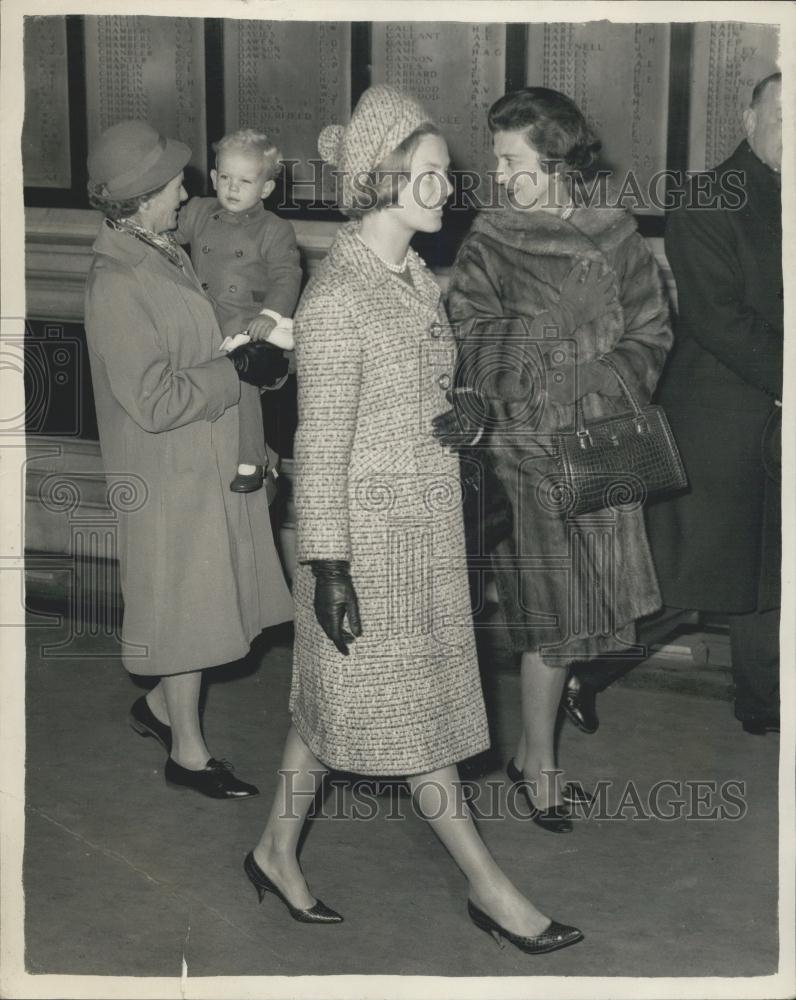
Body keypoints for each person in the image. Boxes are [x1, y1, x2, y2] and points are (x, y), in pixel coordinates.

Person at [242, 85, 582, 955]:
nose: (447, 189)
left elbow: (426, 384)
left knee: (333, 704)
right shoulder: (339, 298)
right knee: (414, 720)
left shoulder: (413, 277)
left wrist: (465, 410)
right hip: (364, 543)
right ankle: (492, 889)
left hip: (424, 531)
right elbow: (319, 442)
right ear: (385, 179)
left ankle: (276, 848)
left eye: (445, 174)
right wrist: (328, 567)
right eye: (430, 175)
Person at [444, 88, 672, 830]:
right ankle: (537, 762)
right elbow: (470, 336)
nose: (498, 170)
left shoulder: (616, 230)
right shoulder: (489, 238)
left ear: (554, 158)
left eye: (510, 158)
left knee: (595, 615)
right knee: (554, 620)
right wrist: (549, 360)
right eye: (497, 156)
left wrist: (600, 377)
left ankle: (532, 752)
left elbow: (651, 329)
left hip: (600, 442)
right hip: (529, 453)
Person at [84, 120, 294, 798]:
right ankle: (188, 753)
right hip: (164, 471)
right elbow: (151, 398)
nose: (186, 191)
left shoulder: (164, 247)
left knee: (199, 604)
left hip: (203, 457)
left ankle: (157, 713)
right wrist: (235, 371)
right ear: (144, 195)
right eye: (175, 182)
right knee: (182, 607)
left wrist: (255, 377)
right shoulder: (117, 280)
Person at [646, 73, 783, 735]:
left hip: (774, 412)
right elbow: (718, 318)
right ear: (747, 117)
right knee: (689, 580)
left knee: (771, 573)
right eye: (782, 115)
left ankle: (764, 704)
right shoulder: (707, 197)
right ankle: (578, 673)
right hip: (721, 420)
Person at [175, 128, 302, 495]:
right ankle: (263, 455)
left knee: (241, 379)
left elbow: (286, 275)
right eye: (226, 177)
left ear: (265, 189)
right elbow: (167, 233)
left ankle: (252, 459)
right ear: (214, 177)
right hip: (202, 323)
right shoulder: (199, 211)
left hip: (246, 324)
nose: (232, 188)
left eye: (245, 181)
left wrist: (272, 315)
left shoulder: (275, 230)